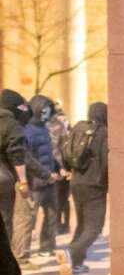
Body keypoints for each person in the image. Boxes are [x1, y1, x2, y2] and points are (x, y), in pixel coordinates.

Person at [56, 103, 108, 275]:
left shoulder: (78, 127)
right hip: (94, 185)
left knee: (82, 225)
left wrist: (68, 169)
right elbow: (105, 162)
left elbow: (65, 150)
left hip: (76, 183)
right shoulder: (103, 132)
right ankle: (70, 253)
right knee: (94, 228)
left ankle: (76, 264)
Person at [0, 90, 48, 268]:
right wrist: (24, 182)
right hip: (7, 180)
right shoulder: (12, 124)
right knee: (11, 222)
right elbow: (20, 155)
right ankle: (16, 260)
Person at [14, 95, 61, 267]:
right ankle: (21, 255)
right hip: (34, 183)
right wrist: (44, 174)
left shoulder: (44, 128)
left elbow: (48, 154)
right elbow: (28, 159)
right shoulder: (27, 130)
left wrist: (58, 168)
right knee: (27, 220)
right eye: (45, 109)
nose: (47, 113)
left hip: (49, 181)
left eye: (49, 109)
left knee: (51, 215)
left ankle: (47, 247)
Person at [48, 101, 72, 236]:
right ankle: (65, 225)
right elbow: (66, 148)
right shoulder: (63, 125)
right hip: (63, 166)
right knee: (63, 197)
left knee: (56, 197)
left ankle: (58, 225)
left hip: (54, 166)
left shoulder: (50, 125)